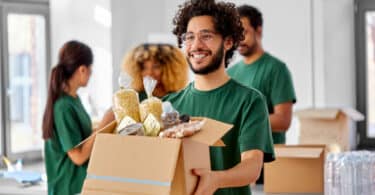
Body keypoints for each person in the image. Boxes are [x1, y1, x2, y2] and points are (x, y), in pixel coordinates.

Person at [164, 0, 275, 194]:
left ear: (228, 42)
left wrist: (216, 179)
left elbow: (252, 167)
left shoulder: (249, 101)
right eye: (189, 37)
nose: (196, 45)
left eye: (206, 36)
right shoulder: (170, 105)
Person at [42, 40, 114, 195]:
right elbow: (78, 157)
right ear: (82, 69)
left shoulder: (74, 100)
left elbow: (81, 135)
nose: (91, 74)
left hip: (78, 185)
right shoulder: (63, 107)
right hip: (67, 188)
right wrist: (103, 126)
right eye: (91, 70)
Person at [228, 5, 297, 145]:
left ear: (258, 31)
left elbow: (283, 120)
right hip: (237, 157)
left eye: (244, 33)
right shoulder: (230, 73)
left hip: (269, 158)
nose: (239, 39)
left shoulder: (277, 69)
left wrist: (242, 121)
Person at [122, 43, 189, 100]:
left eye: (156, 66)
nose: (149, 72)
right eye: (143, 67)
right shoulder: (133, 99)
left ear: (171, 69)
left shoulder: (180, 99)